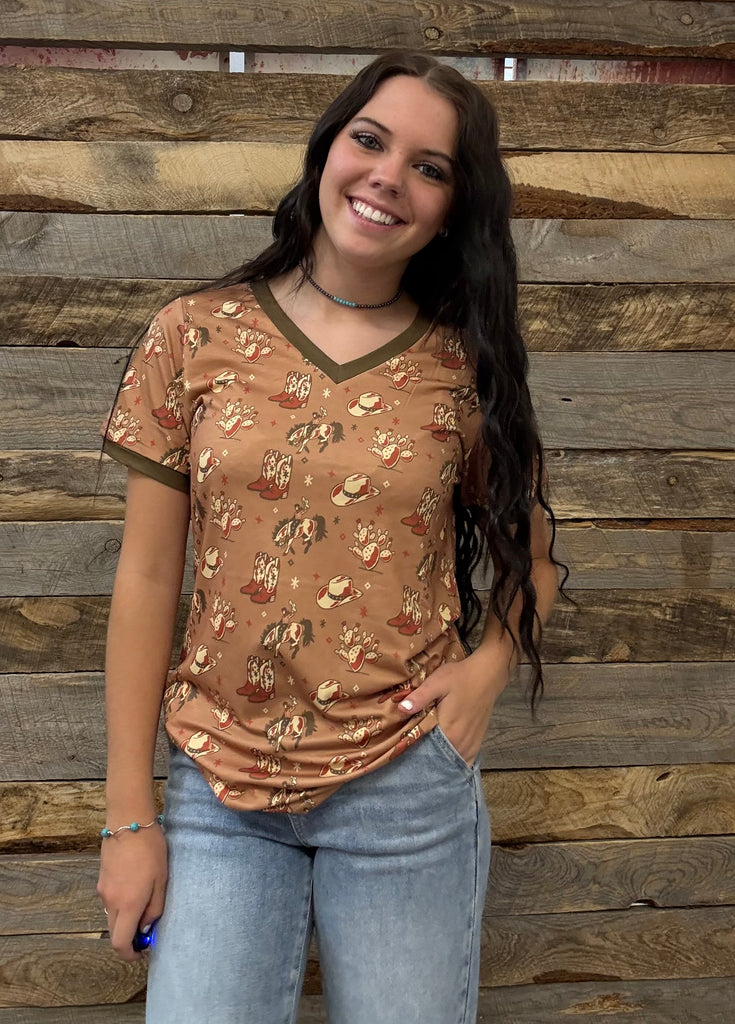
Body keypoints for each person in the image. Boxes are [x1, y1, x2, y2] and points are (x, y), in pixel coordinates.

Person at [97, 50, 564, 1024]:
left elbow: (535, 557)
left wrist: (487, 670)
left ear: (452, 210)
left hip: (405, 788)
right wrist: (128, 816)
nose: (389, 176)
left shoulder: (463, 369)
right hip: (218, 786)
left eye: (429, 168)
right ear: (326, 151)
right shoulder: (194, 334)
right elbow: (144, 577)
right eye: (369, 140)